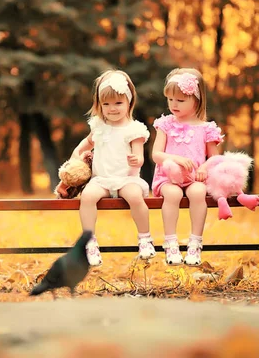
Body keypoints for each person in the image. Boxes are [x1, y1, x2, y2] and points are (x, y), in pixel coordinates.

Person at [69, 69, 155, 266]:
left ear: (129, 102)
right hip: (102, 179)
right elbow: (84, 145)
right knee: (88, 197)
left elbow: (140, 156)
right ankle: (89, 242)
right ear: (99, 104)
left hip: (127, 179)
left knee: (135, 196)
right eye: (106, 104)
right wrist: (77, 156)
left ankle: (145, 239)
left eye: (118, 103)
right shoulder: (99, 126)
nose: (112, 108)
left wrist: (137, 160)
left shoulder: (134, 129)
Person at [151, 68, 223, 266]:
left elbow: (215, 159)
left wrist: (203, 169)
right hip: (168, 177)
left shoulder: (206, 128)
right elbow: (156, 155)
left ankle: (195, 243)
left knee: (198, 192)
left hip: (194, 178)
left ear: (197, 100)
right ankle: (171, 243)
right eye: (170, 99)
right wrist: (175, 159)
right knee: (173, 195)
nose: (174, 104)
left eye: (180, 100)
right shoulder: (165, 124)